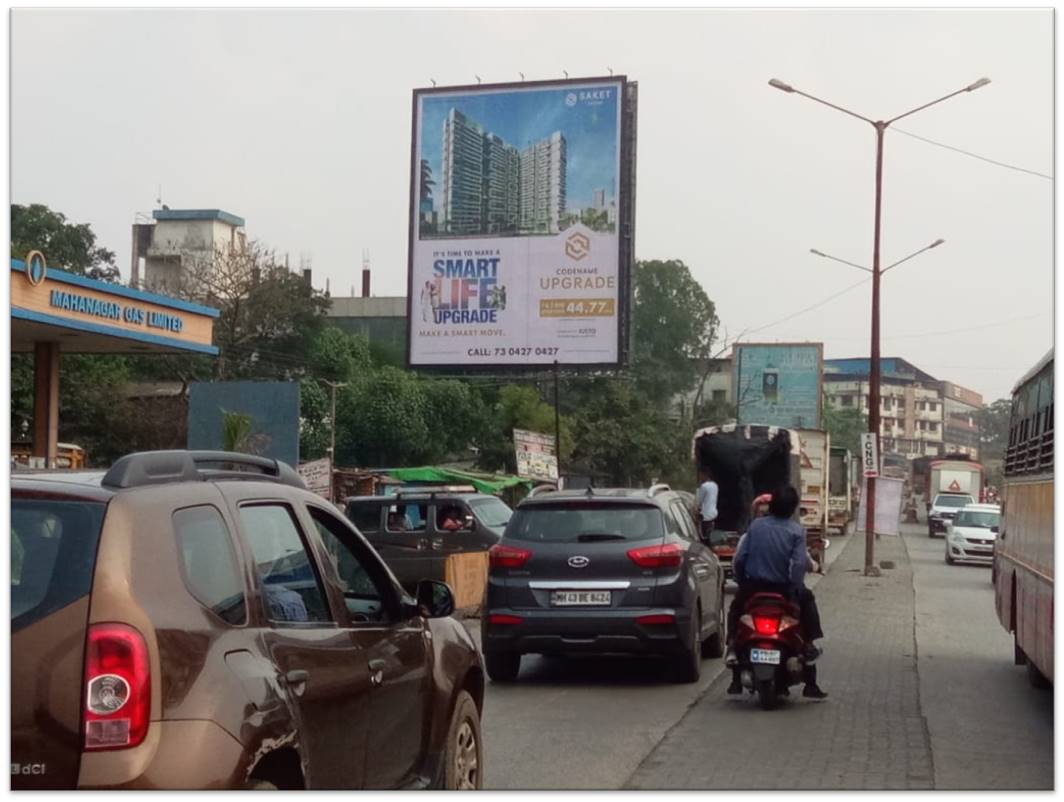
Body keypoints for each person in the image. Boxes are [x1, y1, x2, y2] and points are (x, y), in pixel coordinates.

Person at [725, 484, 827, 699]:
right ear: (792, 509)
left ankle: (732, 646)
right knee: (807, 605)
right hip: (783, 590)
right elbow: (799, 564)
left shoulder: (756, 527)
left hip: (753, 588)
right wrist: (795, 588)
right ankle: (808, 650)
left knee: (735, 609)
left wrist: (743, 582)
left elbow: (740, 559)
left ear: (771, 506)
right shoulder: (796, 531)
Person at [696, 468, 719, 541]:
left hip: (705, 516)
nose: (700, 477)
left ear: (705, 475)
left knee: (703, 538)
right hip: (713, 514)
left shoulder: (704, 486)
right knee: (710, 536)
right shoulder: (715, 485)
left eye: (701, 476)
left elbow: (699, 501)